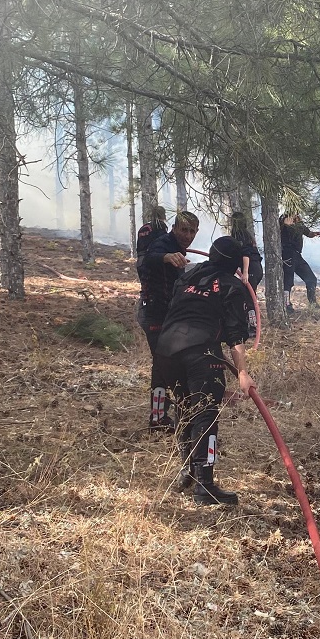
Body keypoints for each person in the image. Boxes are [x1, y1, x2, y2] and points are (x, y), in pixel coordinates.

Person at [155, 236, 257, 504]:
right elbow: (236, 337)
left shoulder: (190, 274)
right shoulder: (233, 286)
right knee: (205, 415)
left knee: (184, 408)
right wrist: (243, 373)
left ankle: (187, 471)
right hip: (200, 353)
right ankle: (205, 485)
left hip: (166, 350)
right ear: (235, 263)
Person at [138, 210, 199, 429]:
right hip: (153, 314)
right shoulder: (162, 243)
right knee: (162, 366)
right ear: (174, 228)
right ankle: (158, 418)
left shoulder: (180, 248)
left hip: (168, 316)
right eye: (184, 230)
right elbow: (150, 259)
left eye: (192, 231)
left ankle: (164, 415)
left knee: (169, 364)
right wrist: (166, 257)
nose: (187, 235)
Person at [279, 212, 320, 311]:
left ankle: (313, 303)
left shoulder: (299, 223)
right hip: (287, 254)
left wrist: (314, 234)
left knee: (311, 279)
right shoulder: (283, 221)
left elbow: (307, 233)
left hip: (297, 255)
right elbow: (278, 231)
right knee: (287, 281)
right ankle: (286, 305)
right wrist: (285, 225)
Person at [229, 210, 263, 289]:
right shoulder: (246, 235)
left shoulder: (240, 235)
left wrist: (245, 273)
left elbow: (246, 254)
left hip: (252, 269)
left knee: (248, 296)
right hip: (257, 268)